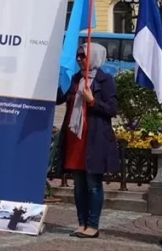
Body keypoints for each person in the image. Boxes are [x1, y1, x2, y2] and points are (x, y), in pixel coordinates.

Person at [57, 43, 119, 239]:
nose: (79, 59)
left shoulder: (105, 80)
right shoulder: (75, 79)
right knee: (79, 185)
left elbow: (112, 109)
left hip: (93, 139)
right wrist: (55, 79)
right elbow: (60, 98)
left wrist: (92, 101)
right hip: (75, 138)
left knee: (93, 184)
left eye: (83, 56)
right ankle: (81, 223)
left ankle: (93, 225)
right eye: (78, 56)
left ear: (94, 57)